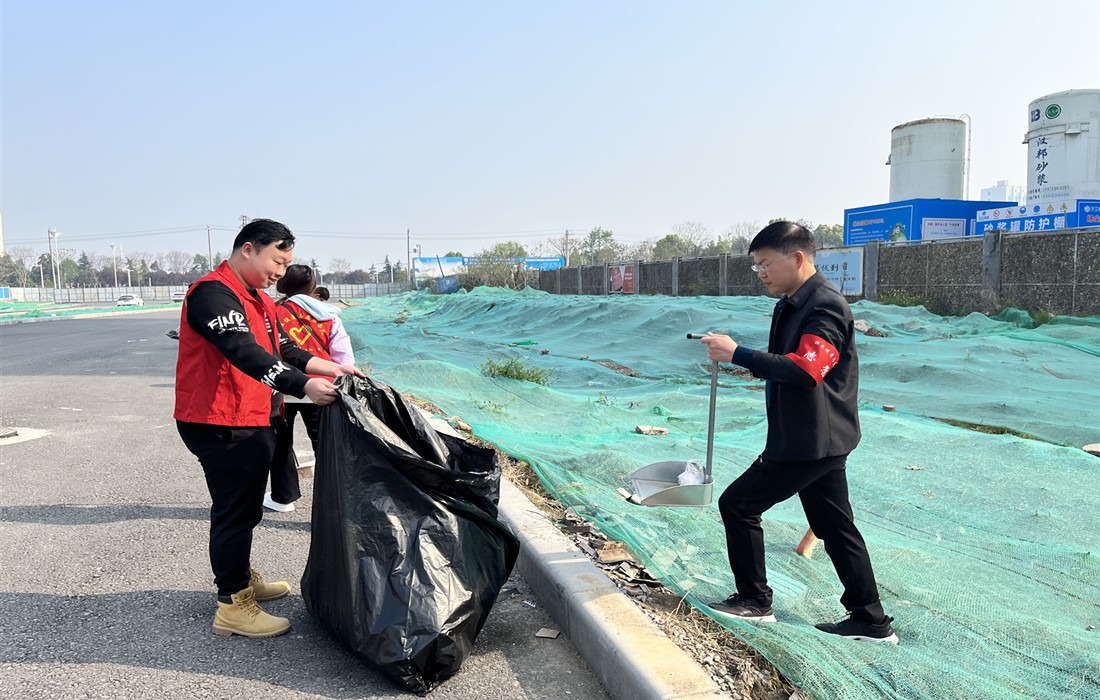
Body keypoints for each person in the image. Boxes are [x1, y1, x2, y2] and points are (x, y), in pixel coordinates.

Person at [700, 221, 898, 644]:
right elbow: (788, 362)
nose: (762, 273)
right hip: (816, 437)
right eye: (757, 267)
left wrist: (739, 354)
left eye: (766, 264)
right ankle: (870, 619)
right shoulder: (791, 303)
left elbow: (808, 369)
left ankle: (753, 600)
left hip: (809, 442)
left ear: (797, 258)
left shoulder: (824, 306)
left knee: (737, 504)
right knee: (835, 527)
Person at [174, 219, 364, 639]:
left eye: (286, 263)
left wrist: (329, 366)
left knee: (245, 507)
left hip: (250, 416)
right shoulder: (213, 294)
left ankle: (240, 578)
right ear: (248, 249)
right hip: (220, 421)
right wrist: (304, 386)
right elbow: (243, 352)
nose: (280, 272)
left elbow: (285, 349)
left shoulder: (256, 297)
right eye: (276, 260)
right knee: (234, 510)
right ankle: (232, 604)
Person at [264, 265, 356, 511]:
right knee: (325, 445)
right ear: (313, 286)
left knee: (281, 443)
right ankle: (335, 502)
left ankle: (283, 497)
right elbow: (343, 355)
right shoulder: (329, 314)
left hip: (283, 387)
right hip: (322, 388)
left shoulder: (273, 312)